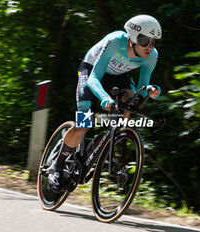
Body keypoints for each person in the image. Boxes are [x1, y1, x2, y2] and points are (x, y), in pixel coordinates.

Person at [47, 15, 162, 192]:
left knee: (129, 103)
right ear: (132, 37)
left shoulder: (151, 56)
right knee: (84, 123)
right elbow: (94, 79)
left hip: (118, 76)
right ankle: (57, 165)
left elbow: (142, 86)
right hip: (92, 71)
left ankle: (114, 150)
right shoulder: (116, 41)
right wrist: (104, 98)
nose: (149, 46)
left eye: (153, 41)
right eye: (145, 40)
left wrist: (151, 90)